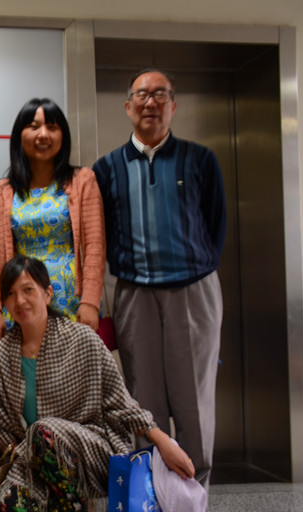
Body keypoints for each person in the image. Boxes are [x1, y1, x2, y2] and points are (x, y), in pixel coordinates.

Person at [0, 256, 195, 512]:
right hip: (28, 458)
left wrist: (162, 441)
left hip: (91, 449)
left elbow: (121, 403)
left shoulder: (82, 339)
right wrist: (26, 456)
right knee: (11, 508)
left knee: (43, 433)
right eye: (10, 294)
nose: (19, 300)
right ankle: (59, 504)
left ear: (47, 293)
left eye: (28, 290)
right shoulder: (1, 354)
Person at [92, 68, 226, 487]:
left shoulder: (200, 159)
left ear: (173, 105)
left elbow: (216, 224)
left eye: (160, 94)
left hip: (193, 290)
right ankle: (149, 503)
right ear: (127, 106)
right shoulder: (106, 168)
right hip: (135, 294)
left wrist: (193, 266)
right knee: (143, 402)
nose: (150, 102)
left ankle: (193, 502)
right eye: (142, 95)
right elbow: (102, 233)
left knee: (194, 401)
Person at [0, 97, 105, 346]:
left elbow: (95, 247)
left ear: (63, 135)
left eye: (52, 127)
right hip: (21, 302)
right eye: (34, 126)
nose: (43, 135)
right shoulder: (3, 191)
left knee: (71, 367)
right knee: (27, 367)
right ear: (19, 136)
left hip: (71, 300)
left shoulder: (83, 180)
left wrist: (91, 302)